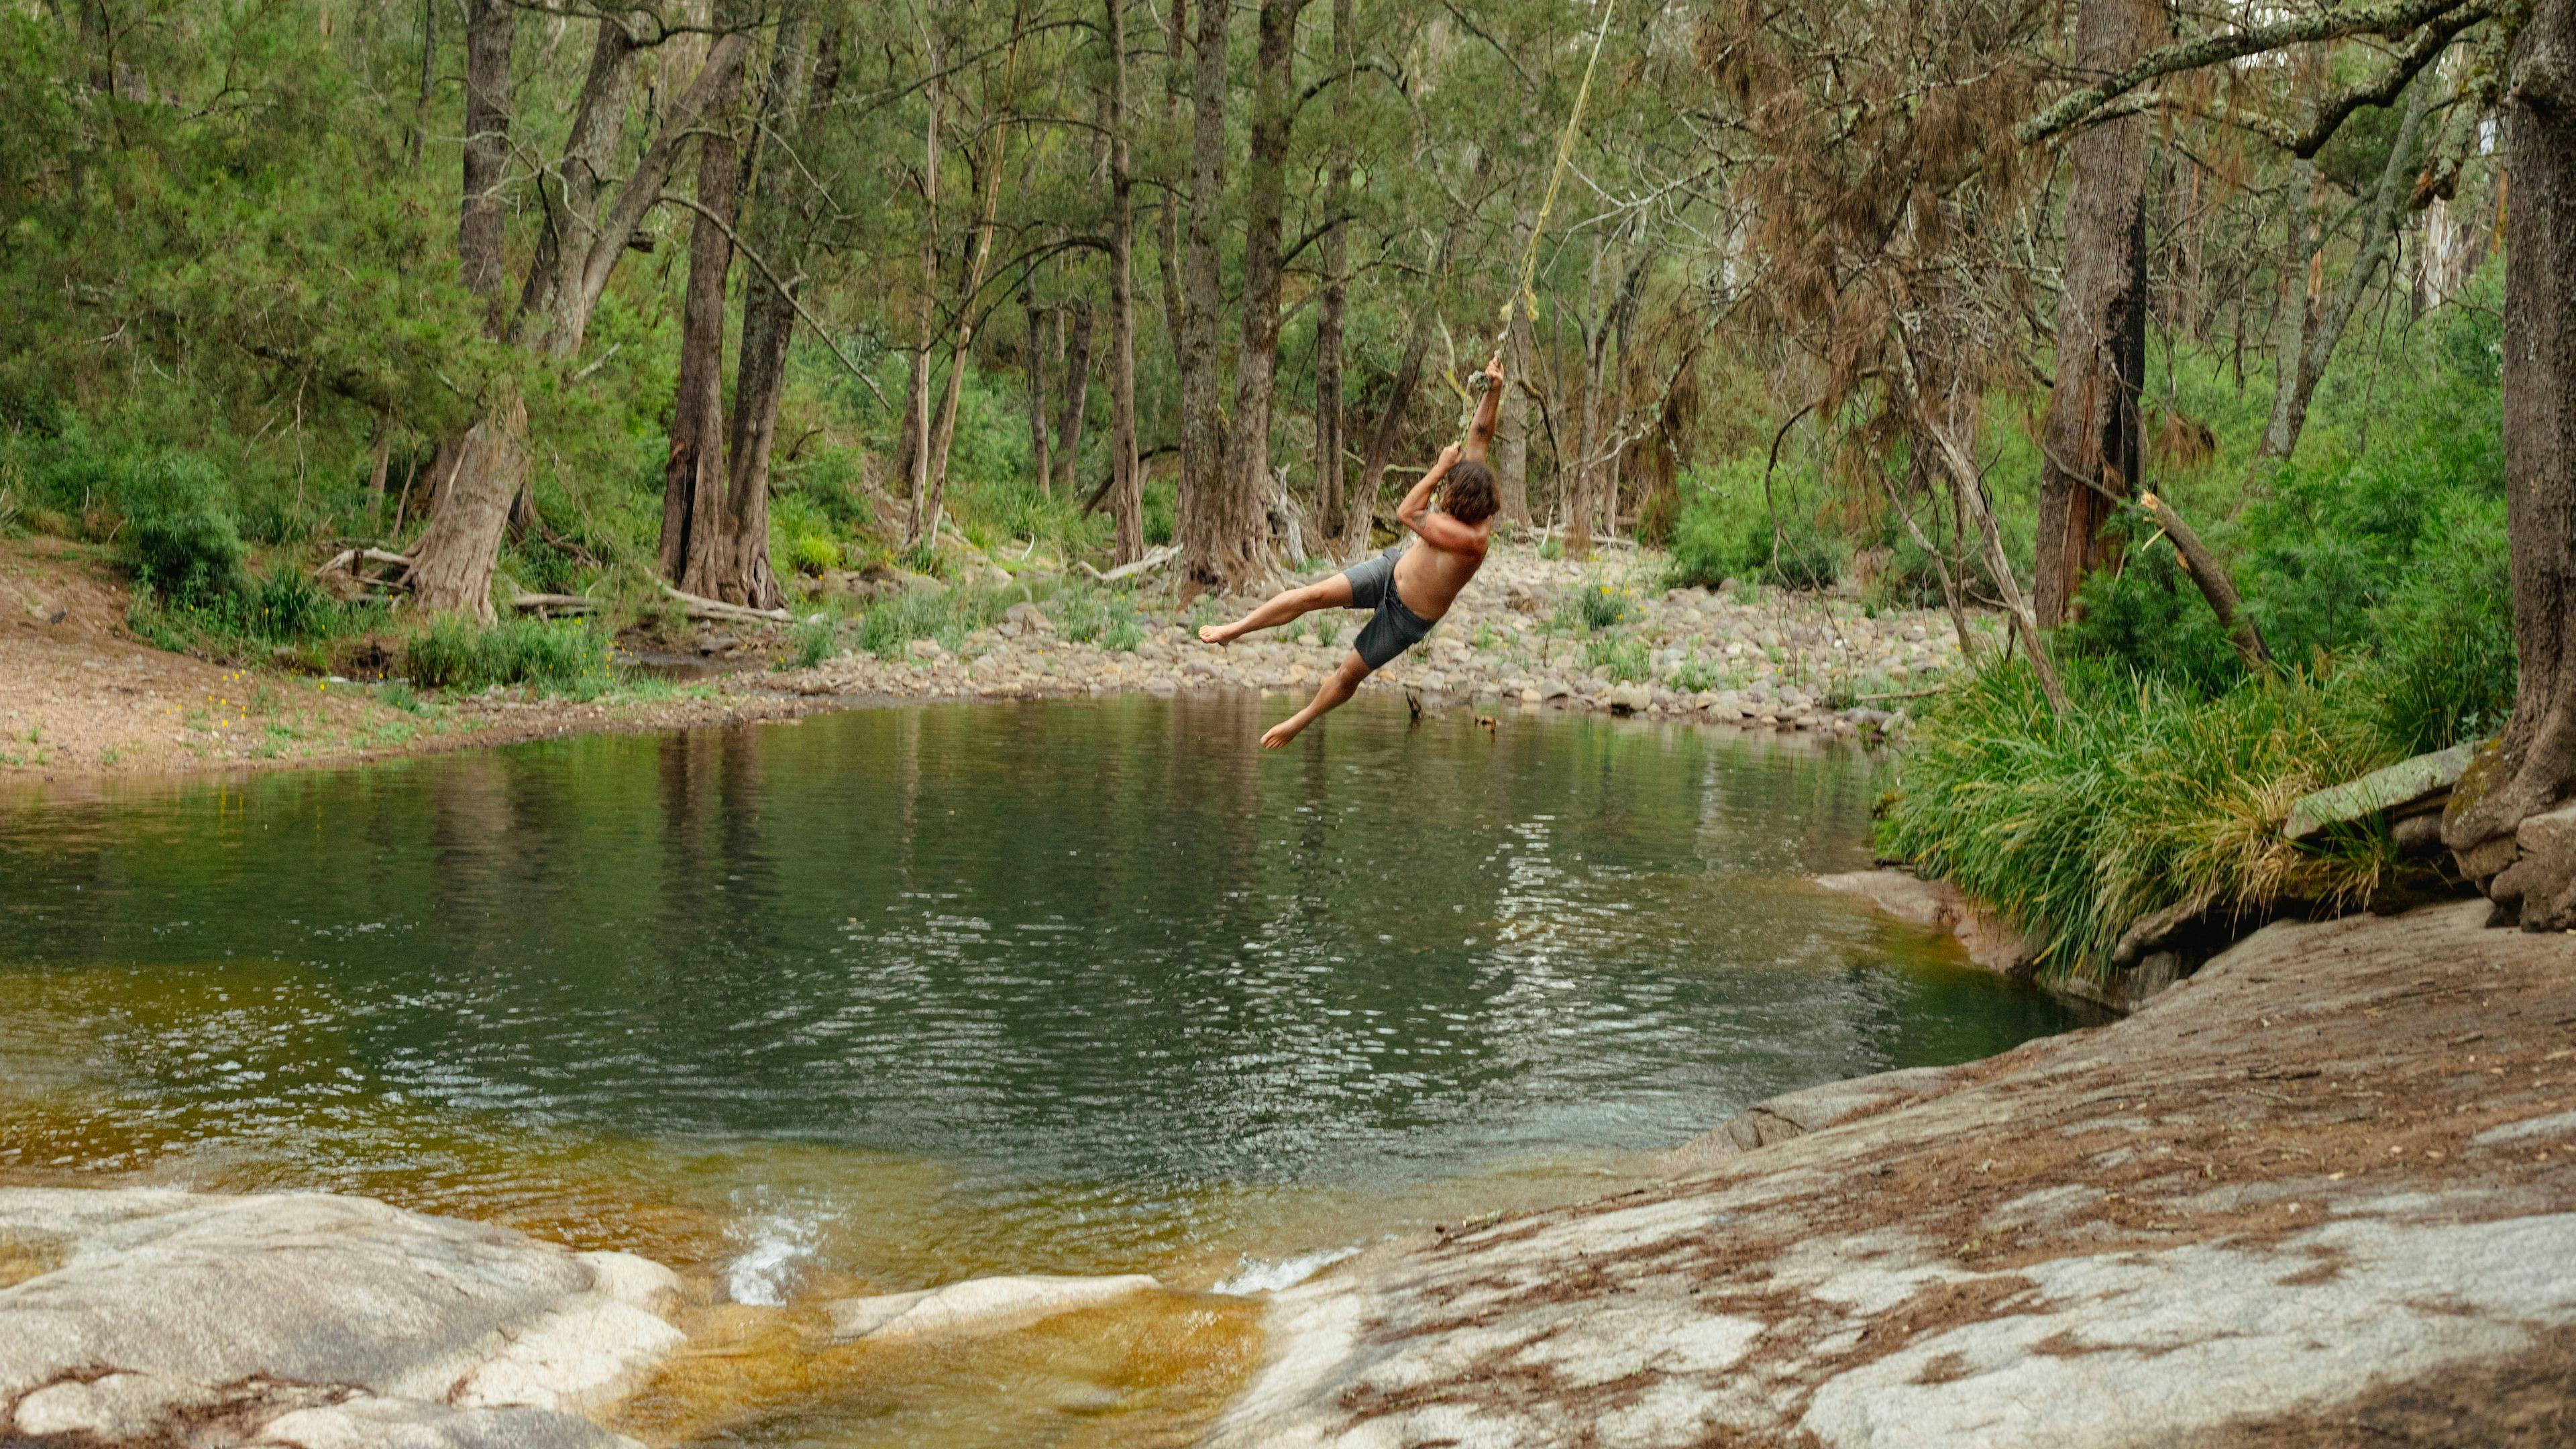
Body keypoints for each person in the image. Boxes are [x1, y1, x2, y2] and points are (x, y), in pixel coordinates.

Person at [1199, 352, 1507, 749]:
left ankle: (1299, 721)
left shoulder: (1472, 539)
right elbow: (1480, 435)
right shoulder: (1475, 495)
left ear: (1464, 501)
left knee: (1349, 675)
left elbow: (1407, 511)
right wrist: (1494, 390)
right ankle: (1233, 630)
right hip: (1391, 570)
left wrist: (1437, 468)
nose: (1445, 494)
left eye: (1450, 490)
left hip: (1407, 618)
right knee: (1313, 595)